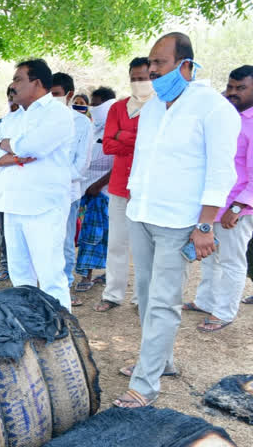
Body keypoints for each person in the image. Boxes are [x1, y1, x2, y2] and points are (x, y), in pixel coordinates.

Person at [114, 33, 240, 409]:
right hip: (142, 215)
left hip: (180, 222)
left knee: (164, 302)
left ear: (186, 65)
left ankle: (144, 385)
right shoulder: (154, 107)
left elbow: (222, 172)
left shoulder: (212, 108)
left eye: (160, 63)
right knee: (146, 297)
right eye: (150, 65)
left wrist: (204, 226)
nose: (152, 71)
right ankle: (161, 362)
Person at [0, 59, 74, 310]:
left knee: (51, 277)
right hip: (12, 206)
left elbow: (33, 146)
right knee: (21, 278)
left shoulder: (58, 113)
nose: (13, 86)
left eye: (18, 79)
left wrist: (11, 145)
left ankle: (63, 336)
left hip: (43, 209)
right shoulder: (12, 118)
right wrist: (13, 156)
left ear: (37, 83)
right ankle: (33, 330)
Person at [185, 65, 253, 331]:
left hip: (237, 208)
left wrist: (237, 206)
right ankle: (205, 301)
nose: (232, 93)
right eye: (230, 87)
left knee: (231, 261)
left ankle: (224, 312)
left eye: (241, 88)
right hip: (213, 204)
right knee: (210, 256)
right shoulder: (225, 116)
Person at [96, 57, 153, 312]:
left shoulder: (160, 106)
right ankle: (113, 294)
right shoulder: (118, 108)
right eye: (134, 78)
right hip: (120, 185)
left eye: (143, 78)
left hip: (148, 187)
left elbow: (152, 145)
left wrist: (123, 134)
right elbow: (108, 145)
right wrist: (135, 137)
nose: (138, 83)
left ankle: (143, 297)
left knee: (145, 248)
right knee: (117, 243)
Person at [51, 72, 94, 305]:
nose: (51, 98)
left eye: (56, 94)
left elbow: (82, 165)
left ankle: (65, 287)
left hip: (67, 193)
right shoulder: (43, 120)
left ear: (68, 95)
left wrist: (55, 178)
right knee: (48, 241)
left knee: (66, 241)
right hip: (44, 194)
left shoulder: (82, 123)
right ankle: (49, 286)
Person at [74, 87, 117, 299]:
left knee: (96, 235)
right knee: (88, 234)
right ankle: (90, 273)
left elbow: (119, 164)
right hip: (85, 188)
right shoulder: (93, 128)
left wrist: (98, 185)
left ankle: (88, 275)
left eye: (98, 103)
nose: (94, 107)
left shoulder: (114, 131)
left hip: (102, 192)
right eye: (94, 103)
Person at [0, 86, 20, 282]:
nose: (13, 101)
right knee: (4, 231)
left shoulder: (30, 123)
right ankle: (6, 266)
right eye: (9, 97)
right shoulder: (2, 123)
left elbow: (27, 153)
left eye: (15, 96)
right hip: (2, 188)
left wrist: (8, 149)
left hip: (23, 189)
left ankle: (20, 269)